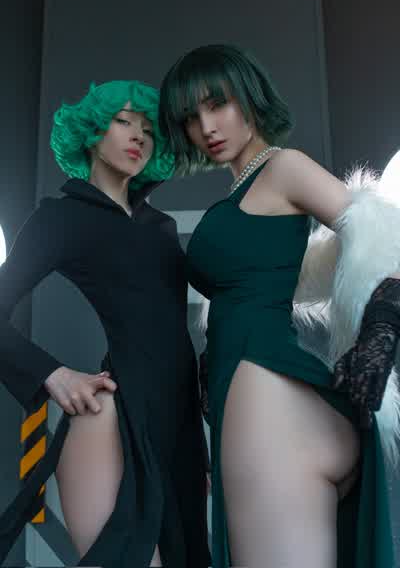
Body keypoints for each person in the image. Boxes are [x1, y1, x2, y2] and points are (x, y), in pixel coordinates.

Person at [158, 44, 400, 568]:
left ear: (249, 97)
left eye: (217, 104)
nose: (206, 127)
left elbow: (382, 234)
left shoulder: (282, 167)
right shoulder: (247, 186)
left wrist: (380, 330)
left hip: (268, 401)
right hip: (266, 398)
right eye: (191, 117)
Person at [0, 80, 210, 568]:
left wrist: (199, 448)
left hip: (179, 428)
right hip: (117, 419)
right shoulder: (60, 218)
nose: (138, 136)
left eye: (148, 130)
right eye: (123, 122)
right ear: (92, 133)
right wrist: (53, 374)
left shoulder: (159, 227)